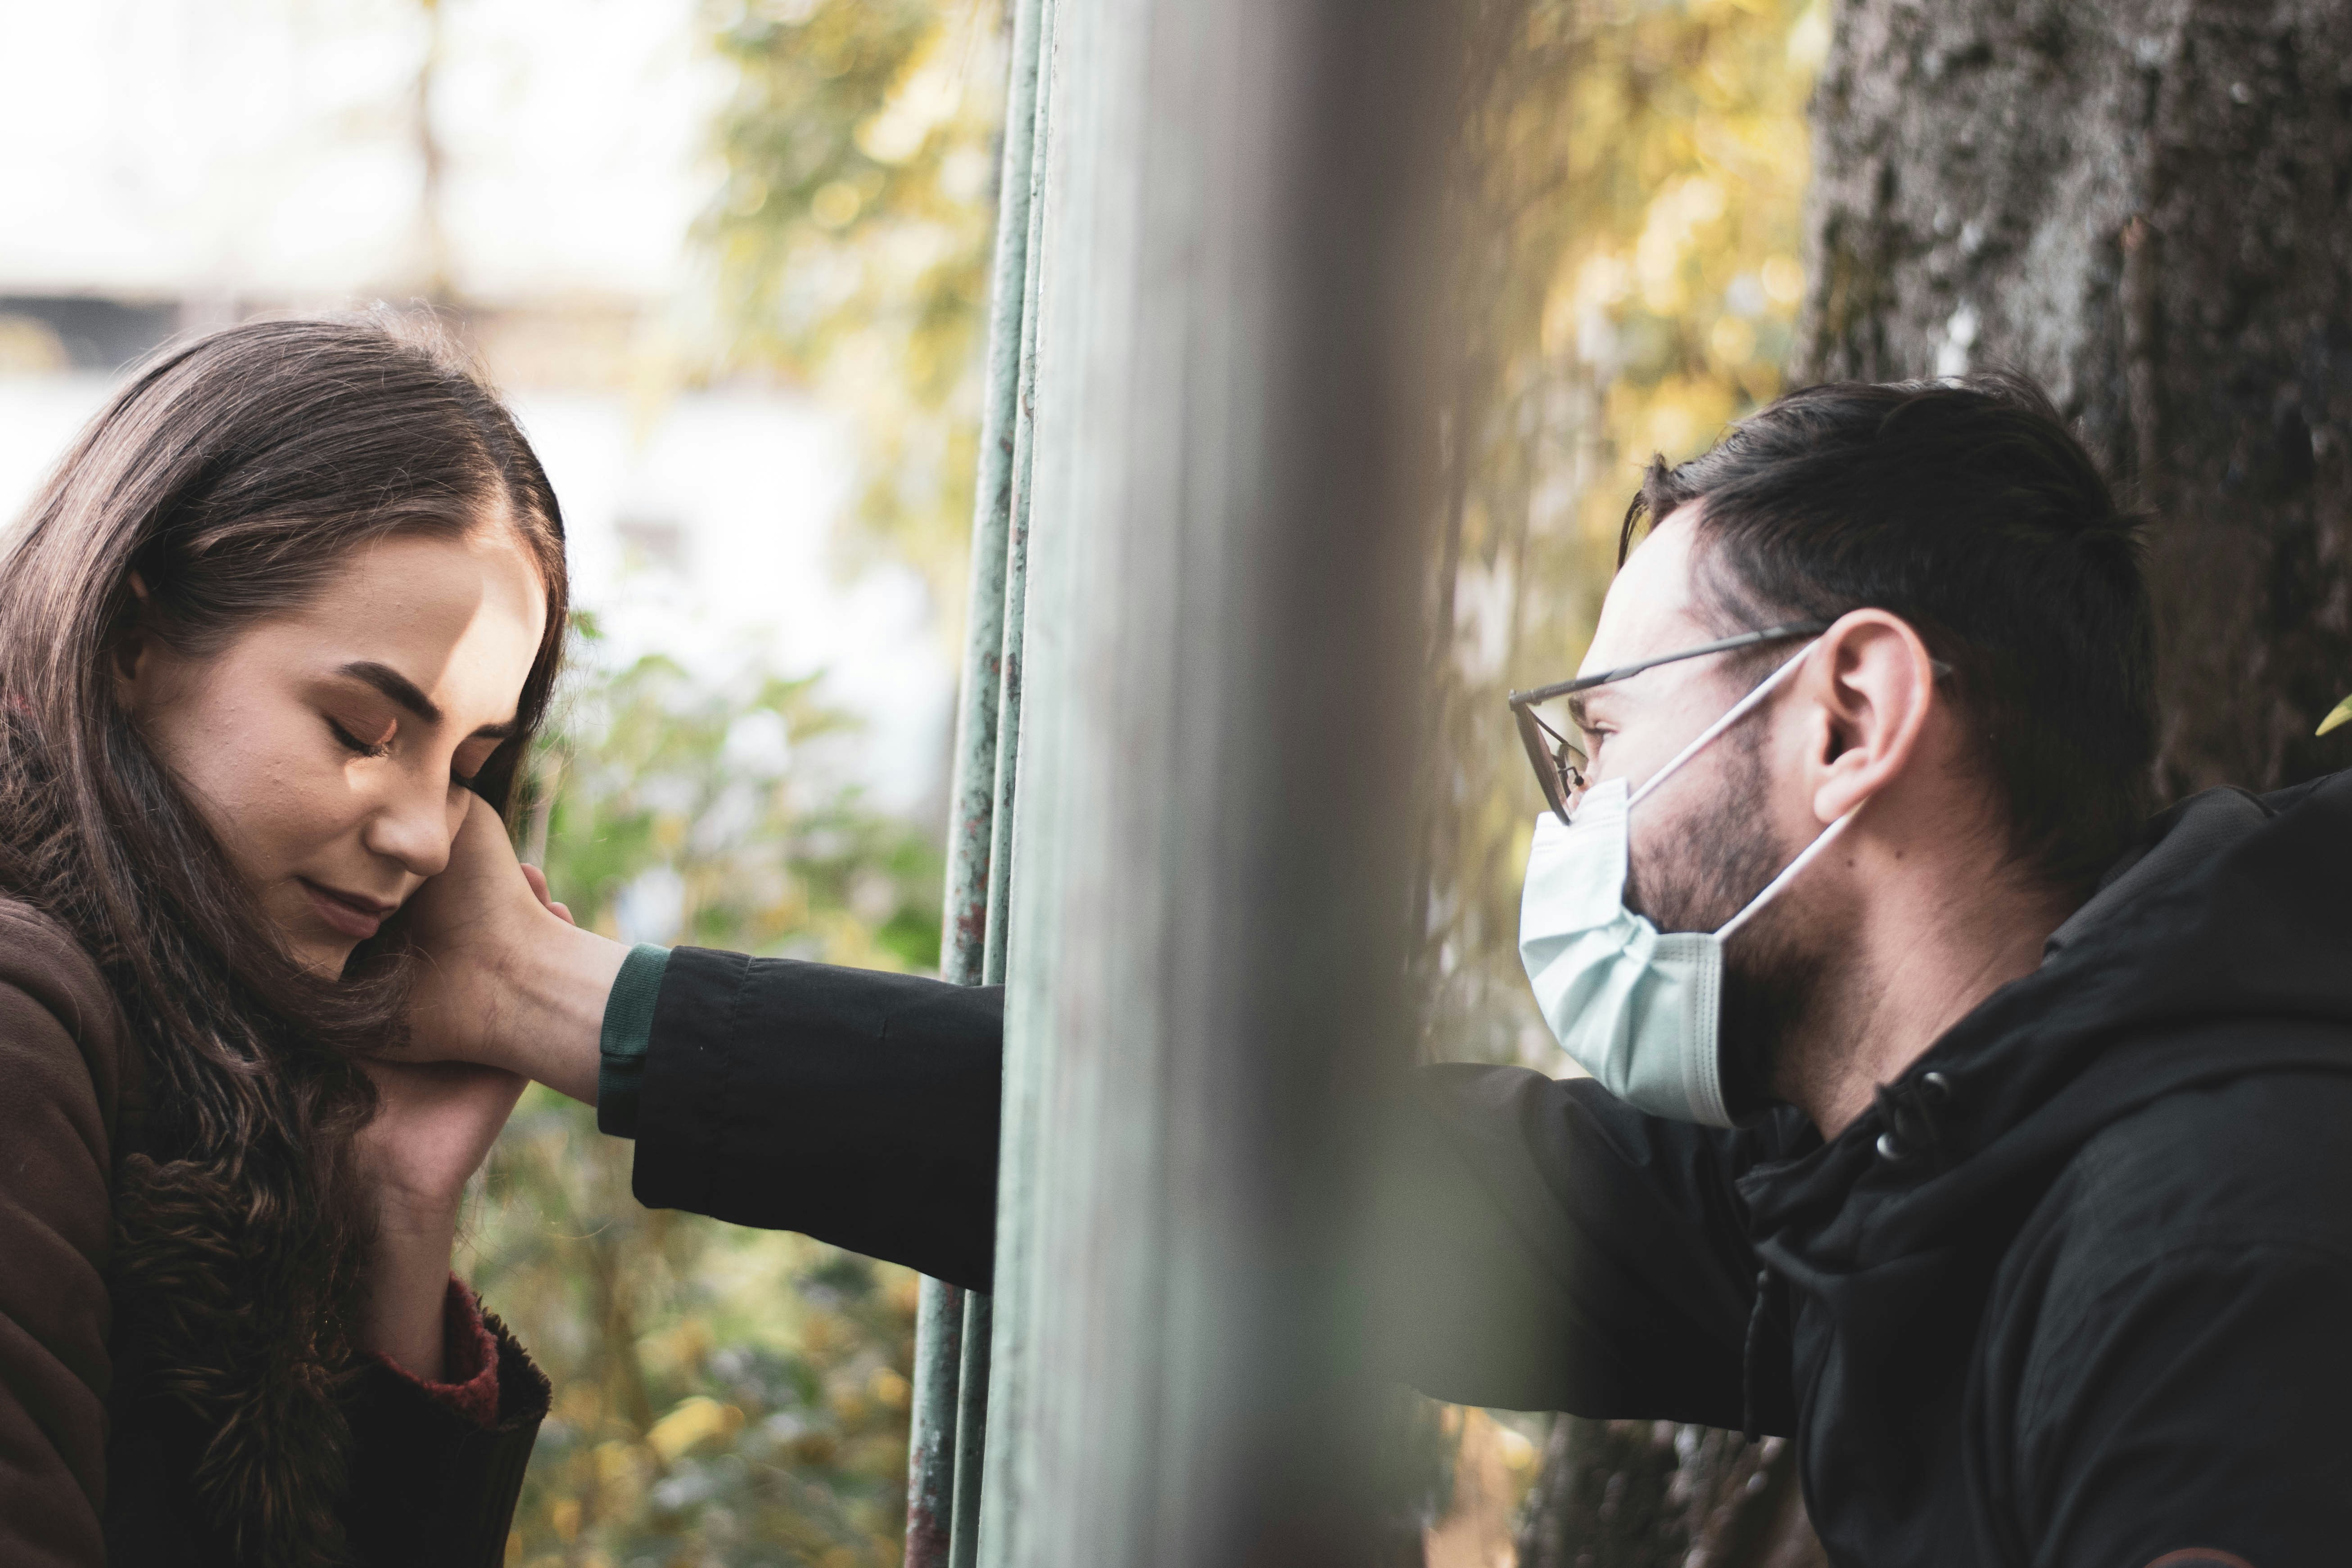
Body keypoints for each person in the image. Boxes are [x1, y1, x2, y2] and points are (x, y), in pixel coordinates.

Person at [409, 372, 2352, 1568]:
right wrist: (564, 1000)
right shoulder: (1901, 1183)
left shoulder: (2209, 1264)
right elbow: (1233, 1166)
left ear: (1847, 714)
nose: (1574, 818)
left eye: (1605, 732)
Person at [0, 319, 563, 1566]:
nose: (427, 834)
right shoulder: (19, 1016)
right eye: (363, 729)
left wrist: (403, 1207)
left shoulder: (225, 1089)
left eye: (472, 766)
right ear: (132, 638)